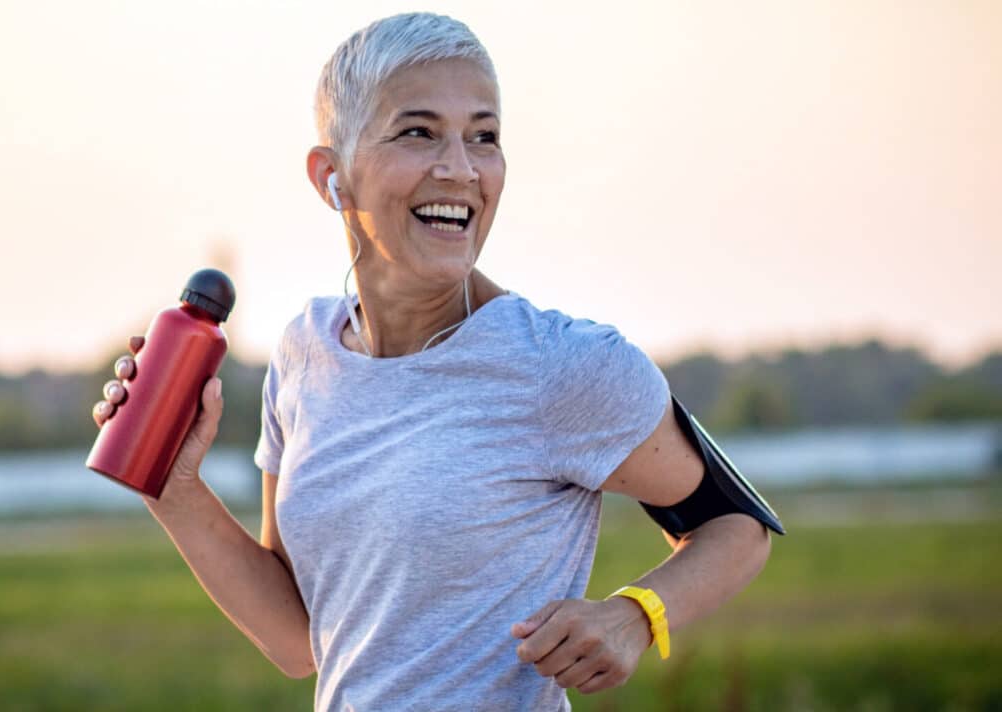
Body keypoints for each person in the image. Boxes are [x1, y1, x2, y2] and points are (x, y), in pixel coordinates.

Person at [92, 12, 775, 711]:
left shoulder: (561, 365)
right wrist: (173, 487)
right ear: (332, 176)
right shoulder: (304, 354)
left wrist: (635, 614)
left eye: (484, 137)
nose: (461, 169)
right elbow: (299, 639)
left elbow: (739, 527)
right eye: (418, 133)